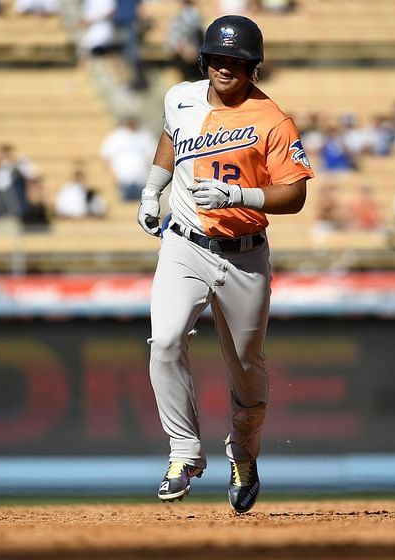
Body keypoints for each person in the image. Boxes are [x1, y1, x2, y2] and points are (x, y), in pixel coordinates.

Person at [136, 15, 313, 514]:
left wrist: (240, 193)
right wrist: (153, 189)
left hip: (245, 254)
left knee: (247, 370)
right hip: (185, 242)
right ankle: (183, 451)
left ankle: (244, 452)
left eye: (236, 60)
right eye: (217, 57)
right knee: (165, 340)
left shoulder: (273, 119)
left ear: (253, 67)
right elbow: (173, 138)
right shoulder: (180, 97)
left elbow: (295, 194)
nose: (224, 67)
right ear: (204, 59)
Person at [100, 115, 157, 201]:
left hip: (141, 182)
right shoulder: (116, 136)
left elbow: (153, 156)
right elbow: (106, 157)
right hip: (122, 182)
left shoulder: (145, 136)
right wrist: (113, 176)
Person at [165, 0, 204, 82]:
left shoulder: (195, 17)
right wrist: (181, 46)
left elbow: (197, 33)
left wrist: (194, 49)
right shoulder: (177, 20)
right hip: (181, 53)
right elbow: (171, 42)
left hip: (196, 51)